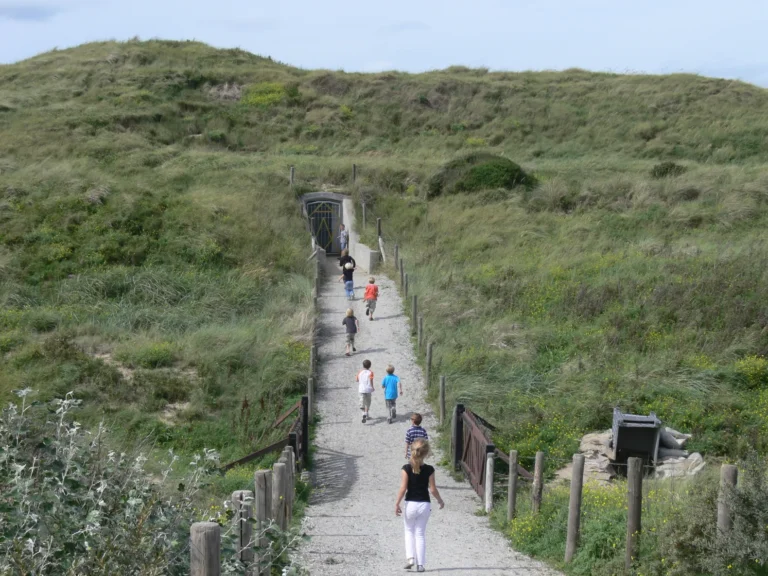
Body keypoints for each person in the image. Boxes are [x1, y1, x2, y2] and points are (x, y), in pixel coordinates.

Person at [395, 439, 444, 572]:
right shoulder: (429, 469)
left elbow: (403, 488)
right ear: (426, 453)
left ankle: (410, 558)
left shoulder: (406, 468)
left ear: (412, 451)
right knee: (420, 533)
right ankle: (421, 565)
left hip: (410, 504)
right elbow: (433, 489)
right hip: (424, 504)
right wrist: (440, 500)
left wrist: (397, 503)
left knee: (409, 531)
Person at [356, 359, 375, 423]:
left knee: (362, 401)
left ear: (363, 365)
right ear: (370, 366)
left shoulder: (360, 372)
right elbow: (371, 381)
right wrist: (372, 387)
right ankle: (366, 413)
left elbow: (357, 380)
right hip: (368, 389)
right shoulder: (371, 372)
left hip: (361, 389)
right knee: (368, 403)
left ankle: (363, 412)